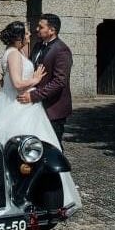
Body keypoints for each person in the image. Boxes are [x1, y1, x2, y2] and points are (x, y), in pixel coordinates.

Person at [0, 21, 62, 150]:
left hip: (14, 100)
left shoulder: (15, 51)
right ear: (19, 37)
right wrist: (35, 80)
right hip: (19, 102)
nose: (30, 34)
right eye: (26, 33)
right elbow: (17, 84)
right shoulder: (14, 54)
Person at [17, 13, 72, 147]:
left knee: (53, 146)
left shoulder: (62, 50)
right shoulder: (37, 45)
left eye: (41, 27)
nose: (37, 29)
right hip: (36, 107)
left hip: (53, 108)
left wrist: (34, 96)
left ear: (52, 30)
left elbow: (59, 82)